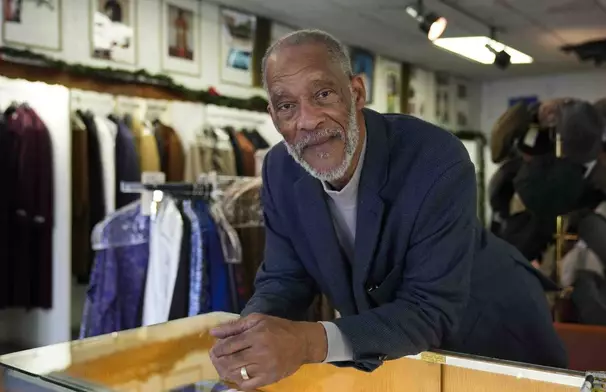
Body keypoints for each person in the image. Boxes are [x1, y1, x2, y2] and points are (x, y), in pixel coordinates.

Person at [209, 29, 568, 390]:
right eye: (287, 106)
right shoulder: (279, 170)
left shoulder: (435, 158)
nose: (307, 120)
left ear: (357, 92)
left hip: (491, 330)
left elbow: (429, 310)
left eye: (323, 94)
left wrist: (304, 342)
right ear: (272, 115)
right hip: (395, 348)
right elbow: (285, 279)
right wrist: (250, 337)